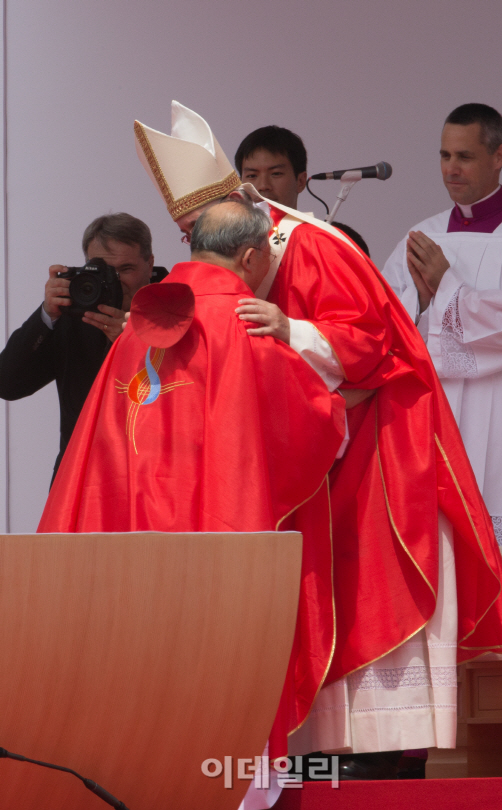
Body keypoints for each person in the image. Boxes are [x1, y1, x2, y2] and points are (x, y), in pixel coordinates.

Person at [133, 101, 502, 762]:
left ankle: (379, 772)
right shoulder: (242, 266)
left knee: (370, 642)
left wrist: (292, 332)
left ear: (242, 222)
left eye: (203, 232)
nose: (202, 256)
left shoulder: (313, 247)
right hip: (312, 462)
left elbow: (377, 346)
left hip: (378, 462)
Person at [38, 200, 347, 764]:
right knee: (219, 678)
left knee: (139, 677)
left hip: (134, 531)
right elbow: (314, 426)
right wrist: (340, 406)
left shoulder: (136, 327)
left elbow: (102, 450)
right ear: (251, 255)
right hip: (215, 531)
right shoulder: (248, 324)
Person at [383, 103, 502, 549]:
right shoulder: (422, 236)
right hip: (436, 405)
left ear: (499, 156)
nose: (451, 169)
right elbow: (389, 320)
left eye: (464, 157)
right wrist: (423, 300)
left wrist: (446, 286)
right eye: (444, 156)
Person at [0, 213, 165, 477]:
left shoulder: (175, 312)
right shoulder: (74, 314)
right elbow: (8, 384)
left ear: (150, 264)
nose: (116, 281)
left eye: (126, 270)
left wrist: (134, 343)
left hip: (151, 481)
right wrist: (46, 315)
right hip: (80, 478)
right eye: (106, 270)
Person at [234, 125, 307, 209]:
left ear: (301, 182)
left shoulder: (313, 223)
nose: (263, 186)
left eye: (276, 174)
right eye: (252, 176)